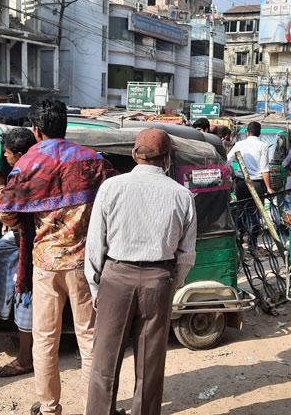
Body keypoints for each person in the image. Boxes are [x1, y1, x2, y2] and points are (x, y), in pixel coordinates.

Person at [0, 99, 116, 415]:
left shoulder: (28, 163)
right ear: (65, 126)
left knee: (45, 339)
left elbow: (6, 212)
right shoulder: (92, 160)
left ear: (36, 130)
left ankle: (49, 407)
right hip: (84, 265)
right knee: (89, 339)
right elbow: (115, 199)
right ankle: (95, 407)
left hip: (46, 264)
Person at [84, 128, 197, 415]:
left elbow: (96, 242)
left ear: (134, 155)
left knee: (105, 361)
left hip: (116, 278)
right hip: (159, 280)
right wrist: (172, 285)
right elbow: (186, 255)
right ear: (168, 158)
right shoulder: (182, 195)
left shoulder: (112, 187)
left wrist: (95, 286)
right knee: (150, 362)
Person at [0, 128, 37, 378]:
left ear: (17, 154)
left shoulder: (22, 175)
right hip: (29, 239)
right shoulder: (39, 167)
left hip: (34, 245)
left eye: (6, 153)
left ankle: (26, 357)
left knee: (24, 292)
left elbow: (7, 214)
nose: (4, 158)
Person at [227, 121, 273, 198]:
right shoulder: (263, 146)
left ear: (247, 132)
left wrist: (234, 176)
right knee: (255, 208)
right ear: (259, 133)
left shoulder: (239, 144)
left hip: (241, 183)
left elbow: (227, 160)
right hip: (257, 184)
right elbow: (264, 169)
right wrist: (269, 188)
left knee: (241, 208)